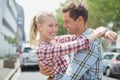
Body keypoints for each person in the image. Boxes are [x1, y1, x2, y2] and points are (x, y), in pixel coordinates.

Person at [39, 2, 117, 80]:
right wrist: (45, 68)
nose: (64, 25)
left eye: (67, 21)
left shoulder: (89, 44)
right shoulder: (75, 39)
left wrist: (51, 78)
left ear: (80, 19)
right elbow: (51, 44)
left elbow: (68, 78)